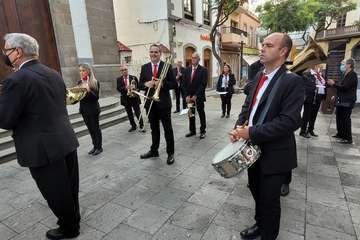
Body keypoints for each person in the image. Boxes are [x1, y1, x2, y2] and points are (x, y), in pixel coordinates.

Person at [0, 33, 80, 239]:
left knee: (55, 190)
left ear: (17, 52)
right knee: (69, 186)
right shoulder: (53, 73)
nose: (4, 54)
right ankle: (74, 218)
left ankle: (69, 228)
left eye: (6, 50)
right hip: (65, 139)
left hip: (42, 147)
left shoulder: (16, 80)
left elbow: (5, 120)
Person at [229, 33, 304, 240]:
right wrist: (238, 128)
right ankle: (260, 224)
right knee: (255, 188)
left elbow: (289, 122)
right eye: (262, 44)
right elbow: (247, 108)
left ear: (283, 52)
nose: (262, 48)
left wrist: (251, 132)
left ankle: (268, 234)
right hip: (252, 150)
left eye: (268, 45)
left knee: (270, 199)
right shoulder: (258, 77)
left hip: (276, 154)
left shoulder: (293, 82)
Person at [139, 44, 176, 165]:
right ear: (149, 53)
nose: (153, 54)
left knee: (168, 129)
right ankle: (154, 150)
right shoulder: (144, 68)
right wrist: (146, 84)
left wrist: (162, 83)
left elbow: (174, 84)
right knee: (154, 129)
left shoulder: (167, 66)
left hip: (164, 103)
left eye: (156, 52)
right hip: (150, 103)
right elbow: (140, 85)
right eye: (151, 52)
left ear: (160, 54)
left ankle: (170, 153)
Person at [328, 58, 358, 144]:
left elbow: (345, 87)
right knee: (339, 118)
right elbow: (341, 87)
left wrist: (333, 84)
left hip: (347, 101)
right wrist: (336, 95)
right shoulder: (345, 74)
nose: (342, 66)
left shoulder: (352, 75)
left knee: (345, 119)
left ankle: (348, 138)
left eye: (344, 64)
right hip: (341, 100)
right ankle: (340, 134)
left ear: (349, 65)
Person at [78, 63, 103, 155]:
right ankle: (94, 146)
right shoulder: (79, 82)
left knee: (95, 128)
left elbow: (96, 97)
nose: (81, 72)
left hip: (93, 109)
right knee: (90, 129)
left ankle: (99, 147)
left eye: (83, 70)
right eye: (80, 70)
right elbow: (79, 97)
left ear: (88, 71)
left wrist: (88, 90)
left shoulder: (95, 82)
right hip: (84, 110)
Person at [183, 52, 208, 139]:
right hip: (189, 98)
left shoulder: (203, 70)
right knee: (191, 114)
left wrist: (196, 95)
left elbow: (203, 84)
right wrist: (186, 95)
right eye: (192, 58)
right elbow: (184, 84)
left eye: (195, 58)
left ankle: (202, 131)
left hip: (199, 97)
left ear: (199, 59)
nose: (193, 59)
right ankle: (192, 131)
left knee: (201, 113)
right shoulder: (187, 70)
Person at [299, 65, 327, 138]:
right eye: (319, 66)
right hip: (310, 98)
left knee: (314, 115)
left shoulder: (321, 75)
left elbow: (324, 85)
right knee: (307, 115)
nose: (321, 67)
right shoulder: (307, 74)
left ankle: (310, 130)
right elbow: (305, 86)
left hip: (318, 98)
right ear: (314, 66)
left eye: (321, 66)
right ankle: (303, 131)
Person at [116, 64, 144, 132]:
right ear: (121, 71)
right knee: (129, 113)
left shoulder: (133, 78)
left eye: (125, 69)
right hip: (126, 99)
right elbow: (118, 88)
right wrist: (126, 88)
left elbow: (138, 88)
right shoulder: (119, 79)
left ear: (127, 70)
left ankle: (141, 125)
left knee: (138, 112)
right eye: (122, 70)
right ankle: (133, 126)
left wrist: (134, 90)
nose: (124, 71)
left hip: (134, 98)